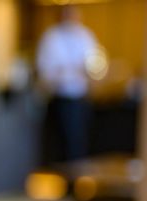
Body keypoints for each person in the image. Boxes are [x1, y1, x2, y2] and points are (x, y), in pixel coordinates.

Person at [36, 5, 99, 163]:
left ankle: (78, 180)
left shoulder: (85, 35)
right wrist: (69, 71)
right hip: (60, 98)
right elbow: (46, 71)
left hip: (81, 97)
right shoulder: (51, 37)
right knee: (61, 143)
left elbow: (94, 65)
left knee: (79, 141)